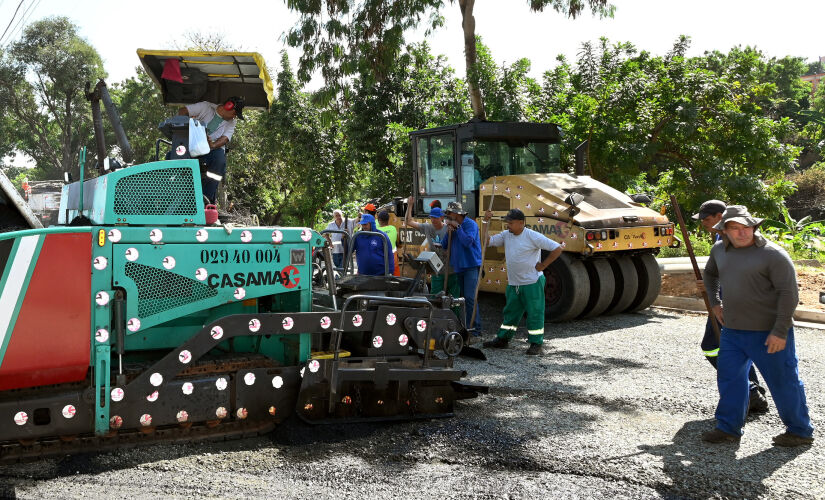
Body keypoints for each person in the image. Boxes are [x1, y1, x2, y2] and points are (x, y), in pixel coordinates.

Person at [701, 205, 813, 447]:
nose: (743, 233)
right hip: (732, 331)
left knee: (783, 382)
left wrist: (780, 331)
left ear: (754, 227)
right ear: (724, 230)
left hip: (768, 333)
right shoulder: (719, 250)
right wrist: (715, 303)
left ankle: (800, 431)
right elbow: (709, 275)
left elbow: (789, 294)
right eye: (736, 228)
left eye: (747, 227)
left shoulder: (773, 254)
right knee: (730, 379)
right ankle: (728, 427)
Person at [693, 200, 768, 413]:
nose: (704, 225)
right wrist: (708, 285)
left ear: (720, 216)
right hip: (723, 301)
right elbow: (716, 272)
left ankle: (750, 390)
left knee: (712, 346)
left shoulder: (737, 239)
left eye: (707, 220)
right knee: (735, 348)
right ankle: (752, 392)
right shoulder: (720, 239)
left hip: (734, 302)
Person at [481, 209, 562, 355]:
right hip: (514, 283)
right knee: (511, 313)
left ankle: (536, 343)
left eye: (510, 223)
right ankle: (503, 339)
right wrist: (485, 222)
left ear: (521, 223)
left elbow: (557, 248)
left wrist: (543, 265)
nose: (508, 225)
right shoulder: (507, 235)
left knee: (535, 313)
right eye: (507, 222)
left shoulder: (532, 236)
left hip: (532, 282)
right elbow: (486, 241)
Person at [178, 96, 245, 204]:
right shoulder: (205, 107)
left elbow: (225, 138)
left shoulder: (232, 122)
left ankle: (206, 200)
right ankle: (180, 197)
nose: (234, 117)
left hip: (212, 150)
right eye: (235, 114)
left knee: (220, 161)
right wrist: (190, 124)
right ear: (228, 107)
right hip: (193, 146)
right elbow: (182, 111)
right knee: (173, 155)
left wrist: (212, 145)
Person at [405, 196, 459, 296]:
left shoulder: (449, 229)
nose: (433, 220)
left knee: (453, 299)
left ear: (442, 218)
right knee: (435, 297)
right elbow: (409, 222)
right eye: (431, 217)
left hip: (451, 270)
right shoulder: (427, 227)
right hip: (436, 270)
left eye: (436, 218)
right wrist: (410, 205)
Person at [444, 201, 482, 333]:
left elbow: (467, 242)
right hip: (459, 266)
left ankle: (475, 329)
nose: (447, 216)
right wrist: (449, 231)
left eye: (449, 213)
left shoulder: (470, 224)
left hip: (471, 265)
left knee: (470, 297)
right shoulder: (452, 226)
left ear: (456, 214)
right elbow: (444, 244)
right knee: (464, 299)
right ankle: (467, 327)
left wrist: (458, 228)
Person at [376, 211, 401, 276]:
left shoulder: (377, 231)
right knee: (396, 278)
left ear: (379, 220)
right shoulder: (393, 228)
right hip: (393, 257)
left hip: (382, 257)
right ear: (388, 219)